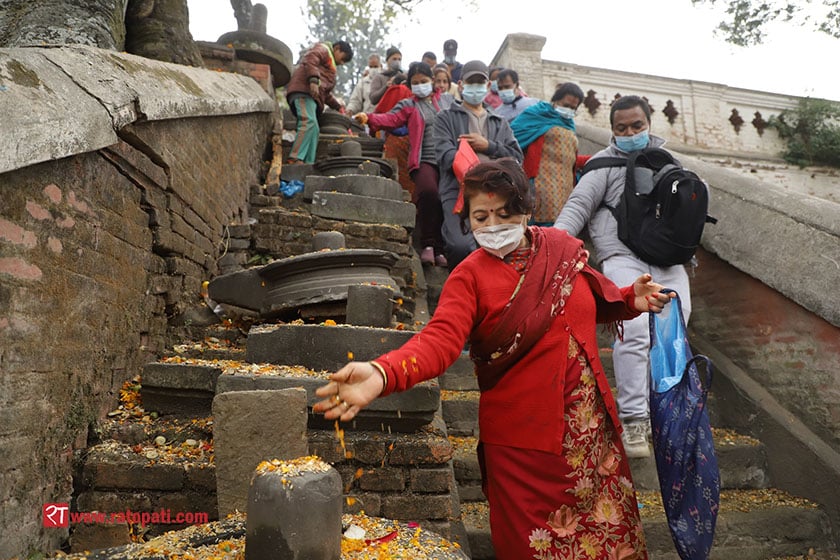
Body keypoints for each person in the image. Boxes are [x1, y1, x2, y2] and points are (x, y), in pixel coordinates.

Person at [314, 158, 674, 560]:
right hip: (525, 448)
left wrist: (630, 299)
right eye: (481, 216)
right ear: (467, 220)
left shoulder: (562, 252)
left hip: (593, 442)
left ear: (527, 211)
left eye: (506, 214)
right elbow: (440, 340)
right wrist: (383, 373)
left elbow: (592, 297)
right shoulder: (469, 277)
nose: (493, 225)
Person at [554, 94, 693, 458]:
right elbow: (578, 206)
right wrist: (554, 248)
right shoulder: (602, 165)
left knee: (674, 336)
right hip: (621, 258)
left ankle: (672, 420)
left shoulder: (670, 163)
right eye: (621, 128)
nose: (630, 132)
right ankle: (634, 422)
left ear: (649, 124)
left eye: (637, 126)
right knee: (632, 331)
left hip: (669, 263)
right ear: (611, 130)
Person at [353, 62, 455, 267]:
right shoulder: (409, 105)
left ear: (432, 81)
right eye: (415, 83)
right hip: (423, 160)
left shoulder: (447, 102)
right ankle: (427, 244)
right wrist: (369, 118)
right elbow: (391, 118)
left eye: (424, 81)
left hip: (447, 160)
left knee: (445, 200)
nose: (420, 85)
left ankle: (440, 247)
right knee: (429, 192)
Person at [434, 60, 523, 269]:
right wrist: (467, 160)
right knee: (460, 246)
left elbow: (516, 157)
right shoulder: (445, 117)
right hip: (458, 190)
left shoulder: (499, 122)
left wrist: (488, 146)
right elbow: (444, 155)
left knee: (500, 247)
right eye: (471, 82)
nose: (475, 87)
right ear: (461, 85)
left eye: (480, 82)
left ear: (487, 85)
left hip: (495, 193)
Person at [511, 82, 585, 225]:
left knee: (561, 227)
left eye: (573, 108)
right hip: (540, 184)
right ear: (555, 100)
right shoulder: (535, 115)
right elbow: (511, 139)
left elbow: (569, 158)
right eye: (566, 105)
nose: (568, 110)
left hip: (564, 187)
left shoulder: (570, 124)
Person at [285, 40, 353, 164]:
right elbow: (310, 59)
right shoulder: (323, 49)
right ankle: (295, 157)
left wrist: (338, 106)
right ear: (337, 48)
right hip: (304, 91)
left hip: (313, 96)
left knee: (315, 129)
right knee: (308, 122)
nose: (342, 63)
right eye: (344, 58)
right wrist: (313, 80)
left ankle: (308, 162)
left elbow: (325, 93)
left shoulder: (330, 65)